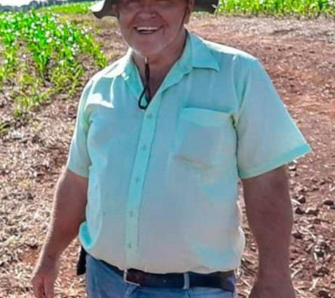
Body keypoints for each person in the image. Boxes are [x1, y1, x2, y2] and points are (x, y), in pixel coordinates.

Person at [30, 0, 310, 297]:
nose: (146, 13)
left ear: (188, 8)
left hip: (193, 289)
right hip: (104, 281)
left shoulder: (238, 74)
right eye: (131, 2)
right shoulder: (100, 88)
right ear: (116, 11)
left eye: (164, 1)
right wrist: (49, 256)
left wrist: (275, 275)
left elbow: (267, 182)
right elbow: (76, 181)